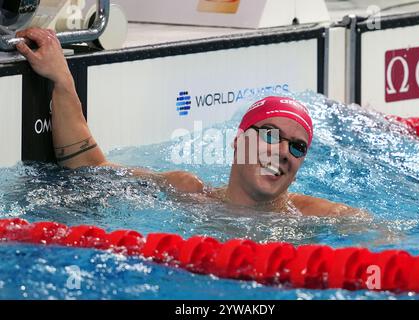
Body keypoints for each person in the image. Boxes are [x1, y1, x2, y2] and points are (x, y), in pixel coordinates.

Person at [16, 28, 366, 217]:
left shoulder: (316, 216)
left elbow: (387, 241)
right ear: (238, 141)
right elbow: (89, 167)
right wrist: (62, 79)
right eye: (271, 135)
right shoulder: (187, 192)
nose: (283, 151)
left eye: (297, 146)